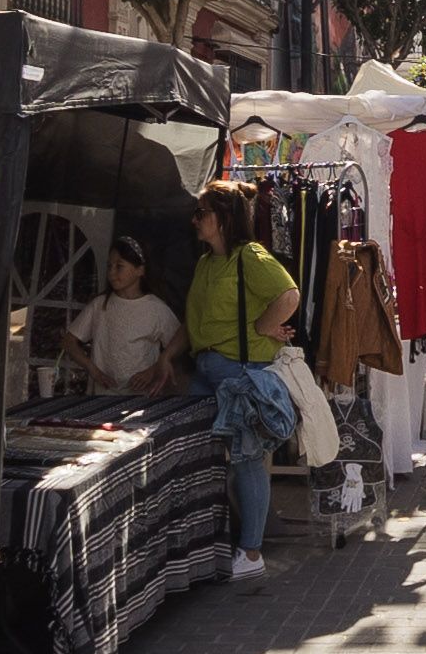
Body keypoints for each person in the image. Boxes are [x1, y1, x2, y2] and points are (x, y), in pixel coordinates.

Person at [187, 180, 302, 582]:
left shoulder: (249, 255)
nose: (195, 220)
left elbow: (289, 295)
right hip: (205, 370)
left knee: (247, 459)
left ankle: (251, 553)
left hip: (239, 373)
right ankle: (217, 541)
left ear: (223, 218)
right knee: (203, 457)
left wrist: (263, 325)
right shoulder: (206, 262)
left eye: (202, 213)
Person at [63, 234, 182, 397]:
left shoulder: (156, 309)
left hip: (143, 399)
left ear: (140, 270)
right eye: (109, 266)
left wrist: (152, 371)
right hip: (103, 397)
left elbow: (178, 348)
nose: (112, 272)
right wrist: (94, 370)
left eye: (119, 266)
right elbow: (69, 341)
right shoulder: (100, 305)